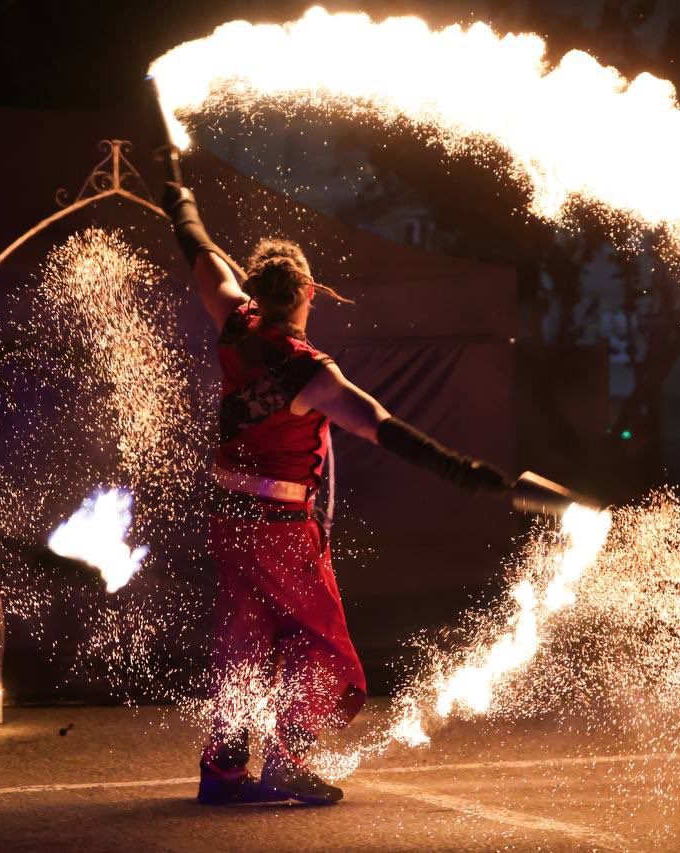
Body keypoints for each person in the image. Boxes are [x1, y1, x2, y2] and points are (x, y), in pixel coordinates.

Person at [162, 183, 514, 805]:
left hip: (229, 521)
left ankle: (221, 773)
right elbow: (383, 426)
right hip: (277, 527)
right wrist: (465, 472)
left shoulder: (235, 322)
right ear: (308, 294)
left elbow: (202, 253)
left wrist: (180, 201)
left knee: (244, 642)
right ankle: (284, 763)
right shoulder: (311, 371)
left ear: (257, 289)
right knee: (324, 650)